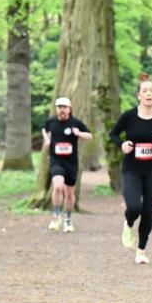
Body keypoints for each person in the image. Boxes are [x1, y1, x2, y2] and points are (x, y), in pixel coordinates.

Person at [109, 74, 152, 264]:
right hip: (131, 169)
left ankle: (141, 250)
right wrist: (122, 144)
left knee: (147, 211)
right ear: (139, 95)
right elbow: (113, 134)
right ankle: (129, 223)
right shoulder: (129, 116)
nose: (148, 94)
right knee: (134, 207)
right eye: (145, 91)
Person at [42, 96, 93, 233]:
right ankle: (56, 216)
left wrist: (79, 133)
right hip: (56, 161)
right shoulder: (51, 122)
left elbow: (89, 136)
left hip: (71, 163)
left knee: (69, 193)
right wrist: (47, 140)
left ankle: (68, 219)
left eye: (64, 107)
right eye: (59, 107)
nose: (62, 110)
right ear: (56, 109)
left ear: (69, 109)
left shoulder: (76, 123)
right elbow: (44, 130)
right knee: (58, 186)